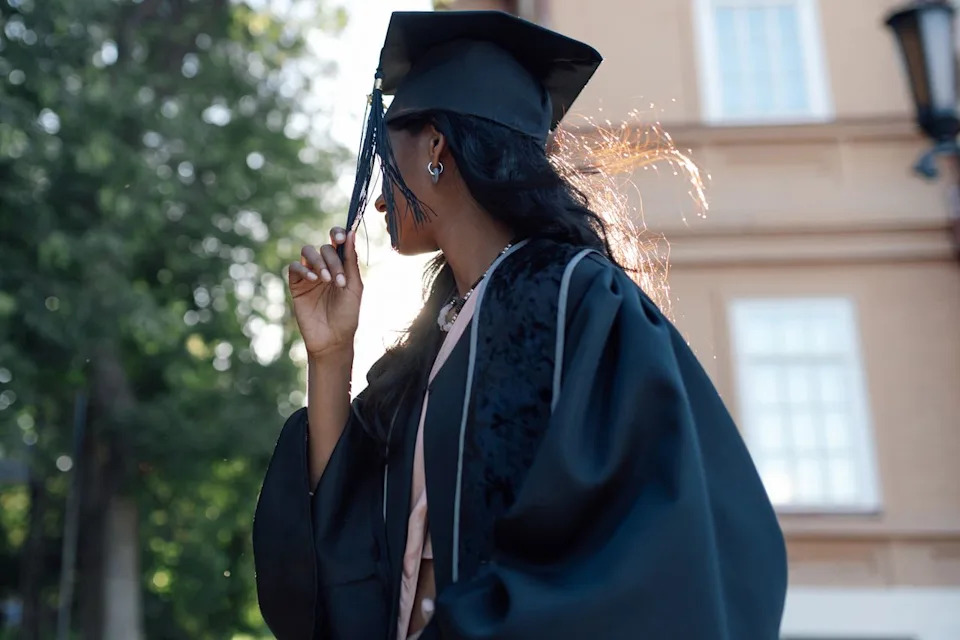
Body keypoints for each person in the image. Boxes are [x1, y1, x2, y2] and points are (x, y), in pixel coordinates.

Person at [253, 10, 787, 640]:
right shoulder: (440, 339)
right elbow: (346, 550)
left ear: (435, 148)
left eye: (384, 156)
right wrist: (330, 356)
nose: (375, 198)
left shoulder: (572, 298)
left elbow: (648, 545)